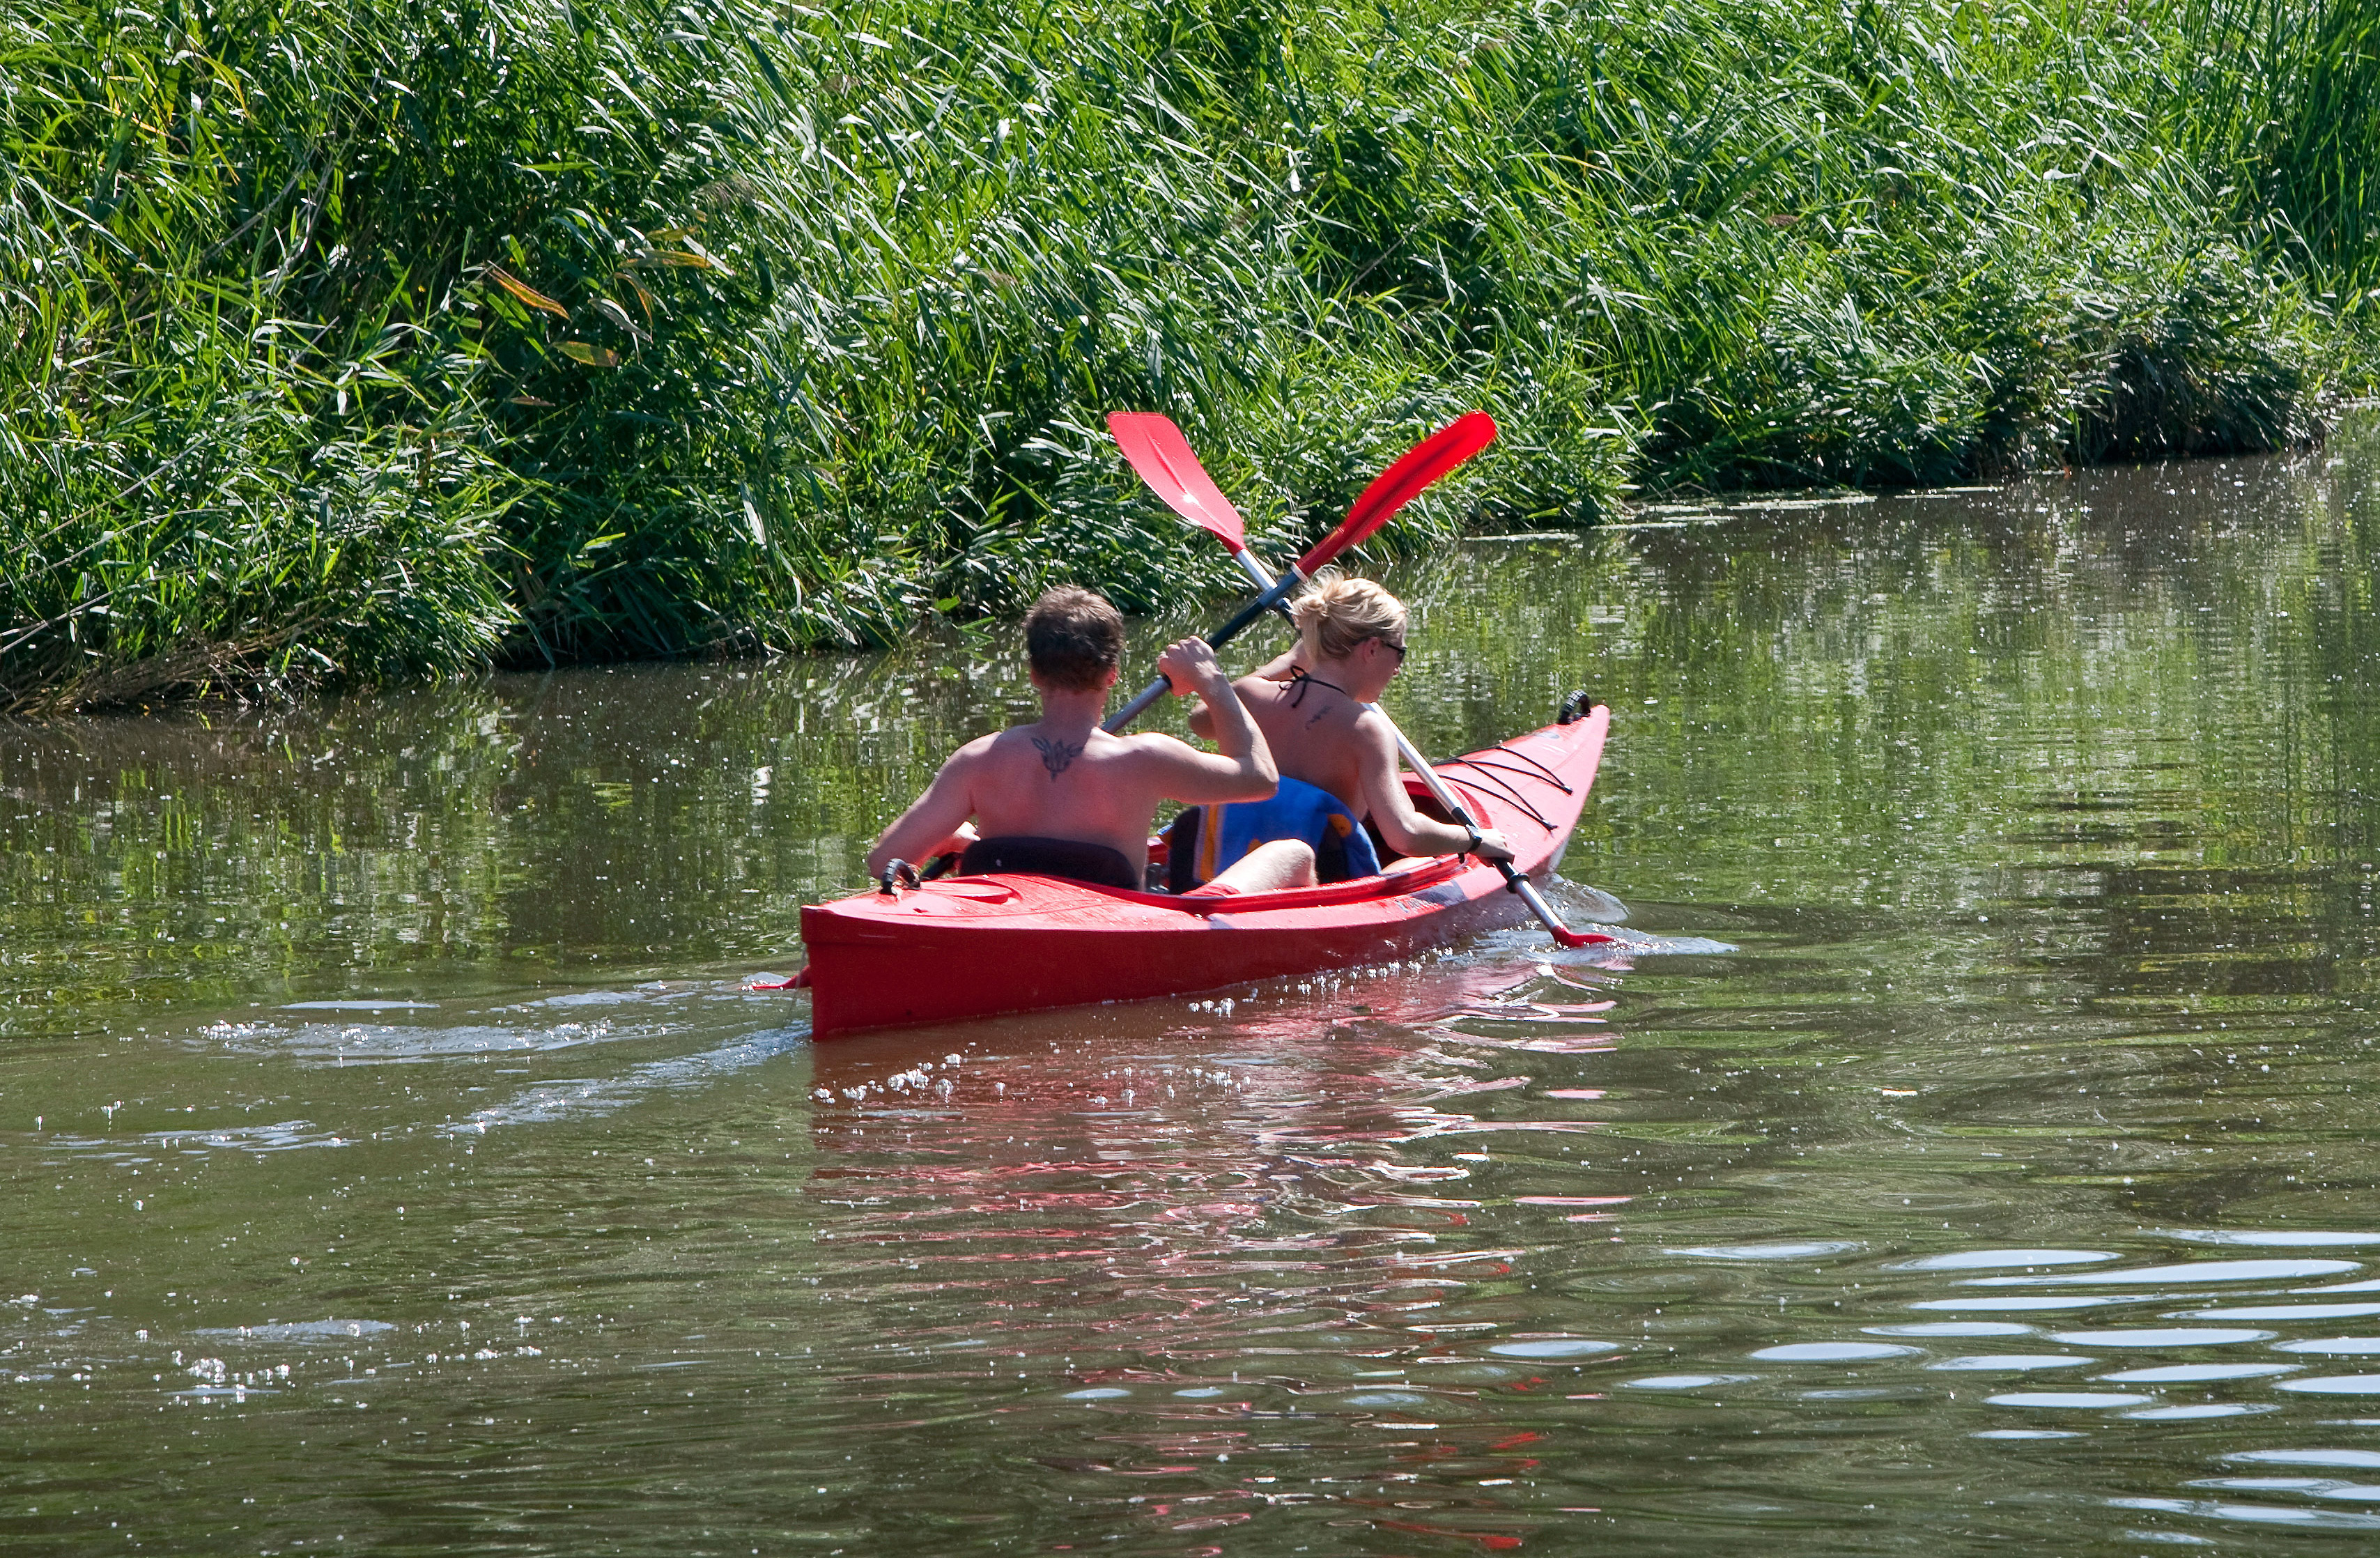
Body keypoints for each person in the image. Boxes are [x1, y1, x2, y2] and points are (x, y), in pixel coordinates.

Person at [864, 585, 1315, 894]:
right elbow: (1260, 778)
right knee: (1293, 852)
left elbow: (885, 859)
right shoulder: (1144, 757)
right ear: (1112, 675)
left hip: (1011, 923)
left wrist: (965, 842)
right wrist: (1211, 681)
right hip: (1115, 927)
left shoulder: (979, 759)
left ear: (1034, 673)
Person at [1178, 570, 1513, 888]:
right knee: (1426, 859)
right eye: (1400, 653)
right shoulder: (1366, 729)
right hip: (1317, 884)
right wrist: (1475, 840)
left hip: (1224, 868)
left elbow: (1200, 720)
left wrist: (1294, 659)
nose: (1397, 669)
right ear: (1371, 648)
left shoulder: (1250, 696)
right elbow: (1405, 834)